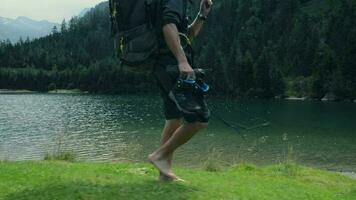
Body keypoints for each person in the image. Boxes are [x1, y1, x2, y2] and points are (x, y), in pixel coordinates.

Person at [148, 0, 213, 181]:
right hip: (171, 66)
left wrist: (202, 15)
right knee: (200, 118)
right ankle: (159, 156)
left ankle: (164, 174)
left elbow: (185, 36)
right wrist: (182, 61)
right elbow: (168, 25)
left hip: (162, 65)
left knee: (173, 119)